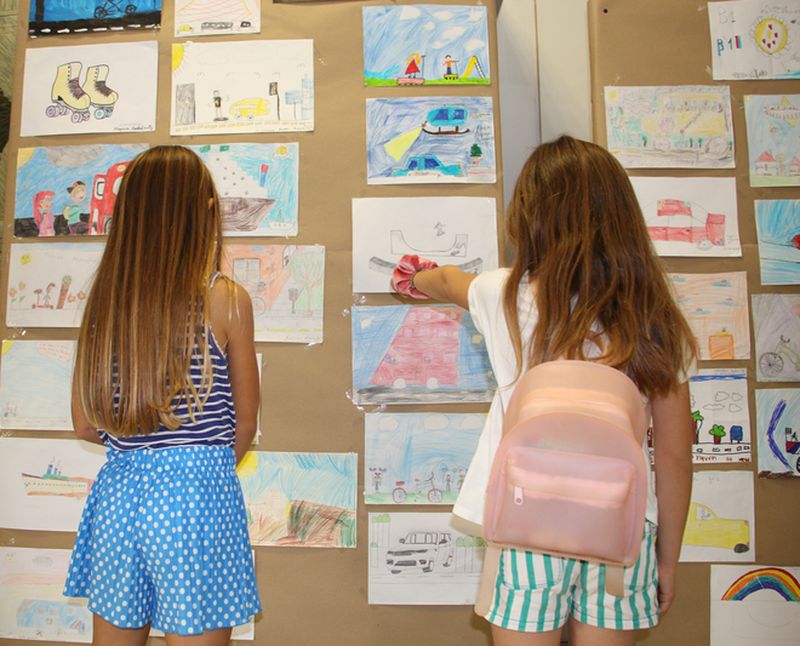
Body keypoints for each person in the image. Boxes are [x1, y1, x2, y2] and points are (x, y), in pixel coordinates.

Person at [391, 135, 695, 646]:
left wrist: (412, 278)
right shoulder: (655, 317)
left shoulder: (504, 295)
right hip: (620, 532)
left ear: (530, 217)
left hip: (526, 523)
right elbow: (674, 455)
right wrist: (667, 558)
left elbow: (446, 280)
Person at [64, 145, 262, 645]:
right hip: (196, 499)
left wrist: (141, 450)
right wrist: (197, 465)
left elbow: (85, 424)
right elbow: (244, 424)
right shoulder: (226, 298)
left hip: (119, 498)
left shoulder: (105, 302)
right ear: (206, 210)